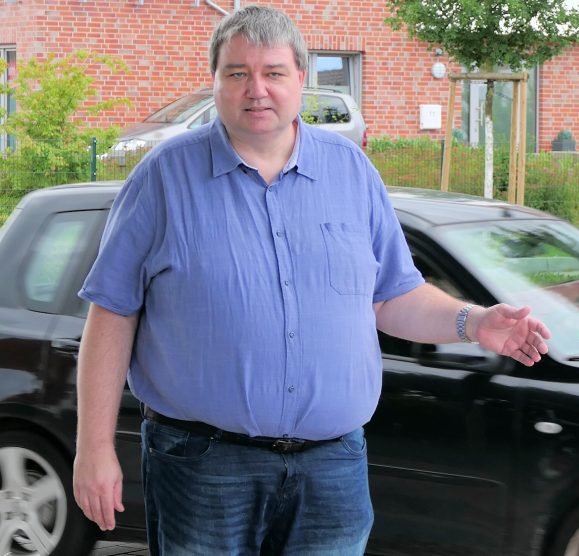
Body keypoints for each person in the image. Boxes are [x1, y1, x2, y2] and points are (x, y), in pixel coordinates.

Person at [71, 6, 550, 555]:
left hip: (333, 469)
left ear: (301, 78)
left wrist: (474, 321)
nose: (257, 89)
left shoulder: (351, 172)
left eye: (274, 72)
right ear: (215, 81)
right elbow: (111, 312)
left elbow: (393, 296)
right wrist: (94, 447)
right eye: (237, 73)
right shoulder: (163, 178)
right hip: (205, 467)